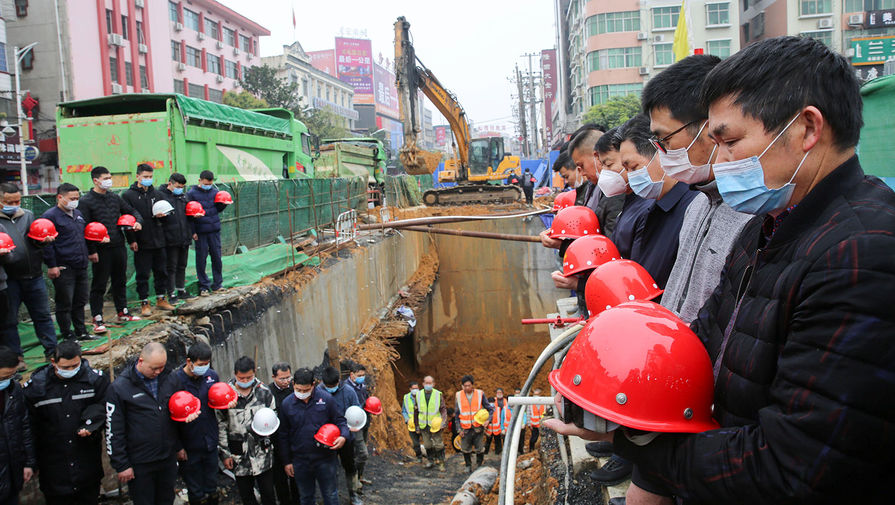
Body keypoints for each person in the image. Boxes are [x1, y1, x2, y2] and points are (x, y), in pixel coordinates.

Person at [552, 36, 895, 505]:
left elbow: (795, 464)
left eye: (729, 141)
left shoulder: (863, 254)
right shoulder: (770, 226)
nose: (719, 159)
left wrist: (642, 448)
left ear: (807, 129)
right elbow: (706, 335)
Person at [642, 55, 755, 324]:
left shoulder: (754, 213)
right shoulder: (697, 205)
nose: (663, 151)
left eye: (665, 139)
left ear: (711, 127)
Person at [610, 115, 699, 288]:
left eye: (633, 167)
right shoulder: (651, 209)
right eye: (626, 169)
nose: (629, 176)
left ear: (660, 152)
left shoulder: (692, 208)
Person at [23, 340, 109, 505]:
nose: (71, 370)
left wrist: (92, 425)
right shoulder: (37, 388)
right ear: (53, 362)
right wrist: (30, 461)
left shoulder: (94, 381)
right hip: (54, 467)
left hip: (87, 463)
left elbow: (104, 407)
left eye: (74, 366)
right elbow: (28, 426)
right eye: (65, 367)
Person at [106, 342, 186, 505]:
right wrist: (122, 464)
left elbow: (175, 415)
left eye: (161, 367)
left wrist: (178, 446)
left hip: (166, 457)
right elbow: (114, 429)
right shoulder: (120, 388)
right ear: (141, 361)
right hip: (141, 462)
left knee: (166, 499)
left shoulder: (170, 378)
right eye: (154, 368)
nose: (157, 372)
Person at [79, 166, 144, 332]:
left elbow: (131, 212)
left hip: (118, 245)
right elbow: (84, 228)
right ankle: (97, 317)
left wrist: (137, 222)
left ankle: (123, 311)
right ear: (96, 180)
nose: (109, 180)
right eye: (106, 178)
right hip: (101, 249)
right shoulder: (86, 201)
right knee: (100, 283)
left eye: (110, 177)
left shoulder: (114, 198)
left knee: (119, 280)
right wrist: (91, 250)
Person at [0, 183, 57, 365]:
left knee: (43, 316)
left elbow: (34, 241)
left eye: (17, 200)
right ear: (1, 201)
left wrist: (43, 242)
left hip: (34, 275)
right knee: (9, 321)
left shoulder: (28, 215)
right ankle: (16, 358)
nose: (14, 204)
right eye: (9, 201)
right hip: (10, 280)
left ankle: (52, 352)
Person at [278, 367, 349, 505]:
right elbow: (283, 435)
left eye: (305, 390)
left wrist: (343, 436)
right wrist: (287, 461)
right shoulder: (287, 404)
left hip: (325, 459)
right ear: (293, 385)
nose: (302, 393)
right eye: (298, 390)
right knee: (306, 497)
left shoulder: (326, 399)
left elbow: (340, 421)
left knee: (331, 495)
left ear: (313, 385)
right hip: (300, 461)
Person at [217, 356, 277, 505]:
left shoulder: (264, 392)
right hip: (239, 456)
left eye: (248, 377)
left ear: (254, 373)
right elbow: (221, 425)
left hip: (262, 454)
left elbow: (273, 417)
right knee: (247, 496)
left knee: (268, 494)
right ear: (235, 374)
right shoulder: (225, 395)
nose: (245, 381)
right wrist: (225, 454)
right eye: (241, 378)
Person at [41, 183, 93, 342]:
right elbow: (47, 244)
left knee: (80, 300)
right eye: (72, 198)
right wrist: (52, 265)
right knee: (65, 302)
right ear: (60, 197)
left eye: (77, 198)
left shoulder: (77, 214)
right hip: (64, 266)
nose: (75, 201)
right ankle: (67, 333)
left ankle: (81, 331)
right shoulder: (50, 217)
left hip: (81, 264)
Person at [121, 164, 172, 317]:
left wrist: (163, 217)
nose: (148, 180)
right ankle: (144, 302)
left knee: (161, 271)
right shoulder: (128, 196)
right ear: (137, 176)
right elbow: (127, 220)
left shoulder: (157, 194)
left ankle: (161, 298)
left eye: (150, 177)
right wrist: (131, 240)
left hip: (159, 239)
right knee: (143, 274)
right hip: (142, 241)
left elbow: (168, 217)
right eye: (145, 177)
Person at [174, 342, 220, 505]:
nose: (204, 368)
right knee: (196, 491)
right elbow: (169, 419)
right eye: (201, 365)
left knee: (212, 488)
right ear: (189, 362)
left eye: (207, 364)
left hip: (210, 441)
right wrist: (178, 446)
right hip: (189, 445)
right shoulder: (175, 382)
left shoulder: (211, 377)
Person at [566, 125, 626, 235]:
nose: (582, 173)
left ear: (596, 156)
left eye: (582, 165)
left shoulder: (616, 188)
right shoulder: (591, 188)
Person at [317, 366, 362, 505]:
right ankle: (329, 496)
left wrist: (353, 426)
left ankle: (353, 493)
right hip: (327, 437)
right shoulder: (318, 392)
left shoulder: (348, 391)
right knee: (330, 469)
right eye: (328, 386)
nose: (332, 389)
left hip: (346, 436)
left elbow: (356, 410)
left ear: (339, 381)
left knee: (350, 466)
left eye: (334, 386)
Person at [0, 345, 35, 505]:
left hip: (12, 472)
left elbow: (24, 426)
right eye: (2, 377)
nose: (6, 381)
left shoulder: (14, 391)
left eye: (11, 375)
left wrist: (28, 463)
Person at [188, 170, 225, 296]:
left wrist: (223, 205)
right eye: (205, 183)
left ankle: (217, 284)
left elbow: (217, 209)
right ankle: (204, 286)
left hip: (214, 230)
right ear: (200, 180)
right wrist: (193, 231)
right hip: (201, 231)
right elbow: (189, 215)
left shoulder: (215, 192)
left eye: (210, 183)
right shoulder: (192, 194)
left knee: (217, 257)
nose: (208, 185)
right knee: (201, 259)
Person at [158, 173, 192, 303]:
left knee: (182, 265)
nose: (180, 189)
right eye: (178, 186)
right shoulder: (161, 196)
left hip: (184, 236)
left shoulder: (183, 196)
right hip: (170, 237)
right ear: (170, 184)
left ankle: (181, 289)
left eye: (182, 186)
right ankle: (171, 293)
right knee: (171, 266)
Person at [269, 362, 298, 505]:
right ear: (274, 377)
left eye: (288, 377)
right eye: (282, 379)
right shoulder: (268, 393)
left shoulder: (295, 389)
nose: (286, 381)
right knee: (279, 478)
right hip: (276, 441)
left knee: (296, 477)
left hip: (293, 438)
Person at [454, 375, 494, 474]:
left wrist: (488, 420)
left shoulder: (480, 394)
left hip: (478, 428)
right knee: (465, 449)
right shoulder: (458, 395)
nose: (467, 388)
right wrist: (459, 429)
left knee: (479, 449)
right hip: (465, 429)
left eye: (469, 385)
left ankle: (479, 465)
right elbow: (457, 415)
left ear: (472, 385)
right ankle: (468, 465)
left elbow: (490, 409)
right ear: (462, 386)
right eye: (465, 386)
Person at [344, 364, 370, 486]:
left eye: (363, 375)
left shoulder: (363, 386)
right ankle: (354, 479)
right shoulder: (346, 388)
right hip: (354, 424)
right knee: (362, 453)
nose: (362, 378)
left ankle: (359, 477)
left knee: (361, 451)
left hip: (364, 421)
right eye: (359, 375)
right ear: (352, 374)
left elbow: (366, 399)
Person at [417, 375, 447, 471]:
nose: (428, 385)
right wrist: (416, 425)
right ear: (423, 384)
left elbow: (443, 409)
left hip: (435, 425)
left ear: (433, 384)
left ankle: (441, 462)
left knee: (438, 444)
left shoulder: (438, 394)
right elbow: (415, 411)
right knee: (427, 445)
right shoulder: (418, 394)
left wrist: (443, 422)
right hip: (423, 425)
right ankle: (431, 460)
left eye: (430, 383)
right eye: (426, 383)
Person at [401, 381, 423, 463]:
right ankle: (419, 458)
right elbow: (404, 411)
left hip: (422, 422)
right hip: (412, 424)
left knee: (428, 442)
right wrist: (407, 420)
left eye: (417, 388)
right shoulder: (406, 397)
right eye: (414, 388)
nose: (415, 390)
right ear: (410, 389)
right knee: (415, 443)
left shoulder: (422, 396)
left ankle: (431, 458)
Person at [484, 388, 509, 456]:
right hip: (489, 428)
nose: (491, 404)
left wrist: (501, 427)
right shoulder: (486, 410)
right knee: (488, 441)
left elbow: (501, 417)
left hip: (497, 428)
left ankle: (498, 452)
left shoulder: (499, 409)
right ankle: (485, 452)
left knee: (498, 441)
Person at [526, 388, 544, 453]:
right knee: (533, 439)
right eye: (534, 394)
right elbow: (528, 414)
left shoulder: (544, 402)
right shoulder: (531, 404)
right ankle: (531, 450)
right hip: (534, 425)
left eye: (537, 394)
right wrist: (529, 424)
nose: (535, 396)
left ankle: (540, 451)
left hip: (542, 425)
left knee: (543, 439)